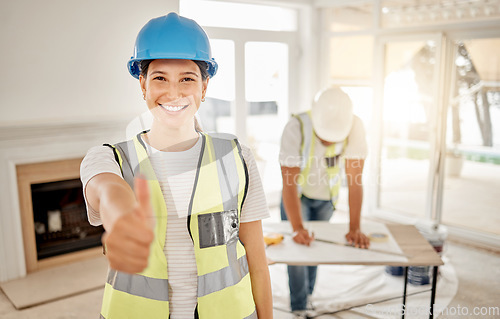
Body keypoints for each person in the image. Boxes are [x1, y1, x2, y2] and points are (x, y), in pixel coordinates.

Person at [80, 12, 272, 319]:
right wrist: (121, 216)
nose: (174, 92)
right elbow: (106, 188)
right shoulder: (109, 157)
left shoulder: (237, 157)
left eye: (187, 79)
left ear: (204, 88)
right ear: (142, 84)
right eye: (159, 78)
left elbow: (258, 263)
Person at [279, 86, 370, 315]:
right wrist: (298, 227)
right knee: (298, 251)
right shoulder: (296, 127)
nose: (329, 143)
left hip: (326, 199)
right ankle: (299, 306)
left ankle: (308, 294)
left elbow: (355, 181)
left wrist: (355, 227)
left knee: (315, 249)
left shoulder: (355, 126)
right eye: (323, 137)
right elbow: (289, 185)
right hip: (297, 197)